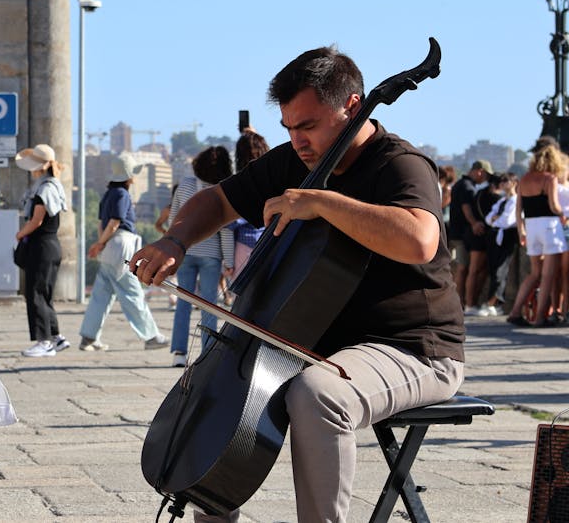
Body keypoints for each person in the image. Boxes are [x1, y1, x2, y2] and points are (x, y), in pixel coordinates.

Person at [130, 46, 464, 522]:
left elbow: (419, 240)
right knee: (222, 402)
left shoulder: (400, 165)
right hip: (313, 345)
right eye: (289, 127)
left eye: (307, 126)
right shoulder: (292, 161)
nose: (297, 140)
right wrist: (175, 240)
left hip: (413, 348)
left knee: (317, 394)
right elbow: (219, 202)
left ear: (352, 106)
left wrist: (324, 202)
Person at [78, 153, 169, 352]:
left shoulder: (108, 194)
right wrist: (101, 243)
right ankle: (151, 336)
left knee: (101, 295)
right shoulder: (122, 194)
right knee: (131, 292)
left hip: (110, 246)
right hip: (121, 245)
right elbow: (115, 222)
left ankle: (88, 337)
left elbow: (103, 224)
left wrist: (100, 244)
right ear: (129, 176)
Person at [163, 146, 234, 367]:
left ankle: (179, 353)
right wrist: (229, 261)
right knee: (209, 304)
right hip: (211, 255)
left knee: (183, 302)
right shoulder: (222, 190)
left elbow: (174, 219)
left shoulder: (184, 186)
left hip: (185, 251)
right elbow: (226, 230)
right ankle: (207, 353)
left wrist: (172, 247)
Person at [14, 143, 70, 358]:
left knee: (35, 293)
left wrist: (20, 234)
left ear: (39, 167)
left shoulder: (44, 189)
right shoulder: (53, 185)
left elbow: (37, 220)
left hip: (41, 246)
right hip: (51, 245)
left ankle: (43, 342)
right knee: (44, 293)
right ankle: (56, 337)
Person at [509, 143, 566, 327]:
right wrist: (564, 214)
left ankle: (515, 311)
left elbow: (518, 210)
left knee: (534, 273)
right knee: (548, 275)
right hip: (549, 226)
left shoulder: (524, 179)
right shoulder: (550, 178)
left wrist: (521, 231)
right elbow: (554, 206)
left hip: (531, 226)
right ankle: (540, 317)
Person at [226, 131, 270, 276]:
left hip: (245, 244)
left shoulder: (240, 183)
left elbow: (230, 224)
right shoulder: (274, 178)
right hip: (270, 243)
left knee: (243, 294)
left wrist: (228, 262)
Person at [449, 161, 491, 308]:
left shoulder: (460, 184)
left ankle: (458, 302)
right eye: (485, 175)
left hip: (455, 231)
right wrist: (474, 223)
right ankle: (459, 302)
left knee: (462, 268)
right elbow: (466, 208)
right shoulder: (468, 187)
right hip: (461, 234)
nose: (485, 179)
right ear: (479, 171)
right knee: (463, 268)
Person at [482, 172, 518, 316]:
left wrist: (495, 219)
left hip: (507, 236)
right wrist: (495, 219)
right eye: (502, 181)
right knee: (493, 269)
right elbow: (488, 218)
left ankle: (494, 302)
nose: (502, 183)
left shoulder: (515, 201)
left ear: (514, 183)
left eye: (506, 180)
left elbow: (507, 221)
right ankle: (494, 302)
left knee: (500, 271)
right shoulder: (502, 201)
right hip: (496, 236)